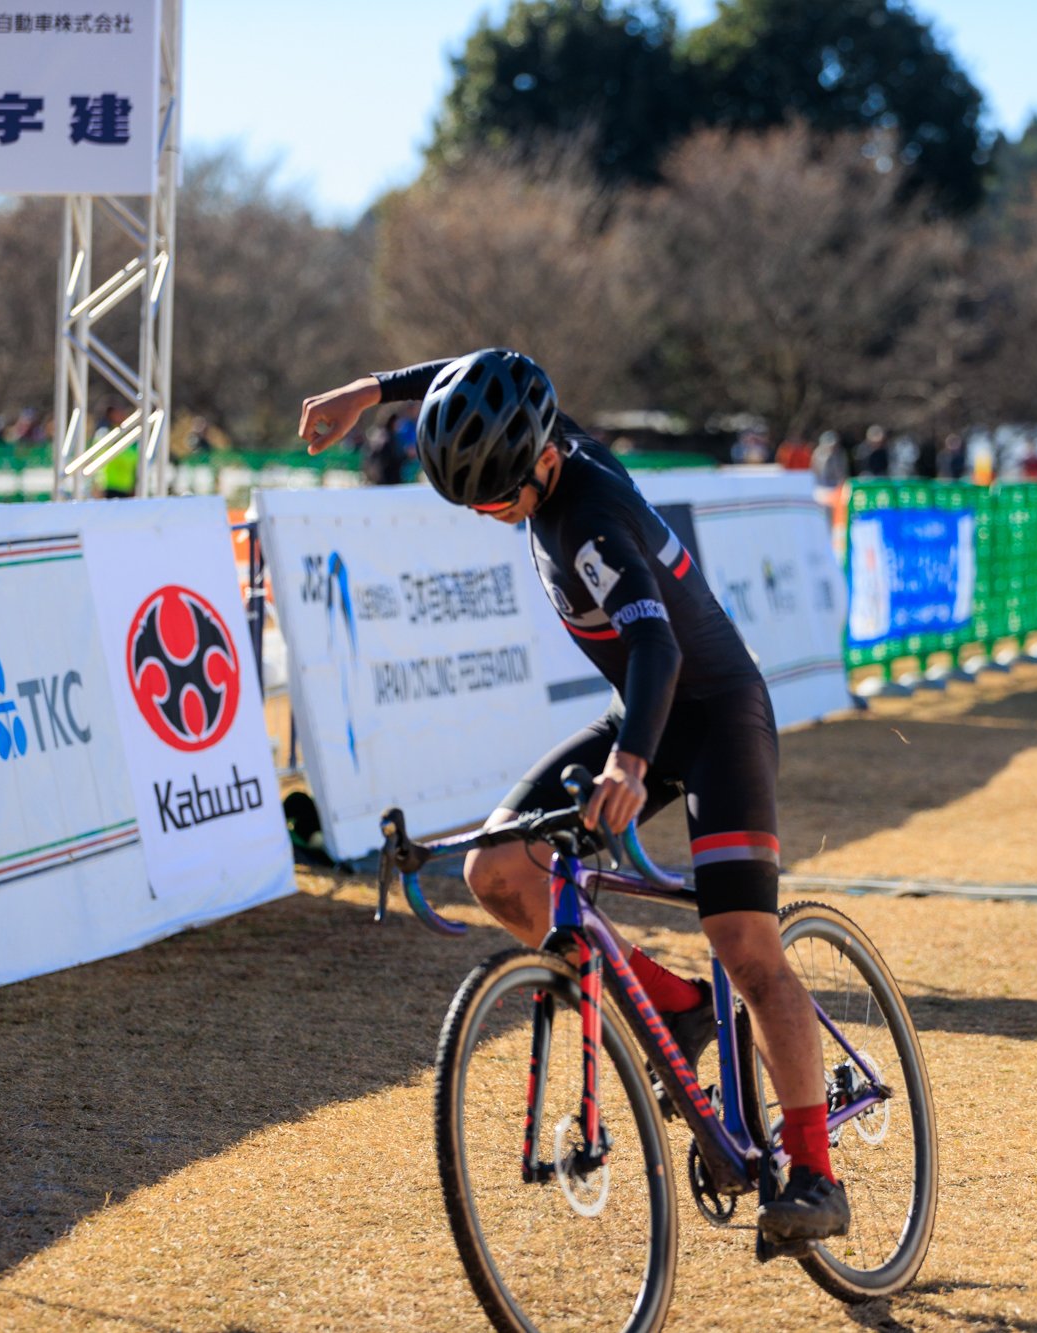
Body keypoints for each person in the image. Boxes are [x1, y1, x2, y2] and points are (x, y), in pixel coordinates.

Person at [296, 349, 851, 1244]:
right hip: (643, 710)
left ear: (542, 462)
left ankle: (818, 1173)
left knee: (745, 948)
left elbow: (661, 651)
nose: (488, 515)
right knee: (498, 869)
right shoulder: (545, 437)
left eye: (492, 500)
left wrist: (630, 766)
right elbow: (482, 367)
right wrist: (372, 392)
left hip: (714, 713)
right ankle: (671, 1002)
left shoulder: (588, 519)